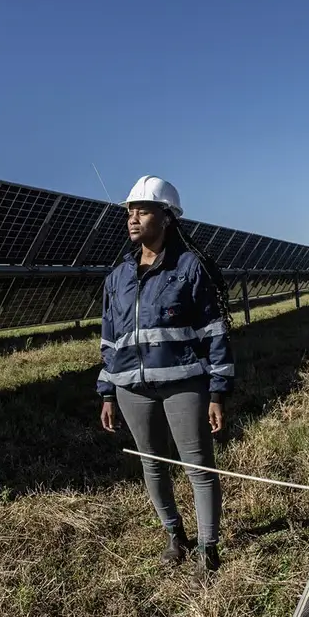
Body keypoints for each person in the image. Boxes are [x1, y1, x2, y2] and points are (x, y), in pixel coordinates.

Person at [97, 175, 235, 577]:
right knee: (152, 464)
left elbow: (216, 332)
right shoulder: (118, 275)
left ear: (168, 217)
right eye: (129, 211)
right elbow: (108, 338)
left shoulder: (191, 268)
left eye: (142, 210)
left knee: (198, 466)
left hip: (183, 385)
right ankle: (175, 536)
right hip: (130, 389)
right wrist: (107, 391)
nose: (132, 218)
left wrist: (217, 391)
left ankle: (208, 548)